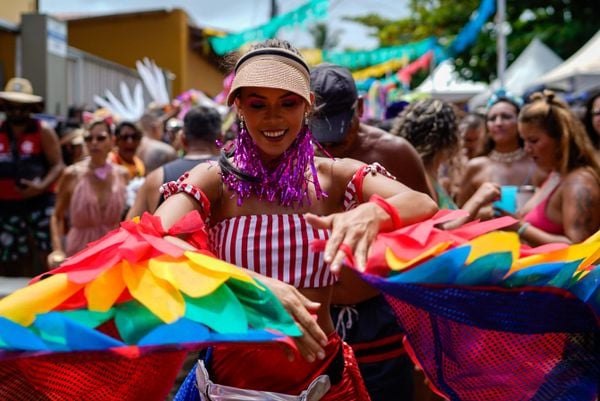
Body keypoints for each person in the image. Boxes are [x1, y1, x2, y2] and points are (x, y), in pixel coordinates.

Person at [163, 39, 437, 400]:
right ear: (239, 107)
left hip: (322, 385)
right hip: (230, 386)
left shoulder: (335, 177)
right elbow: (155, 240)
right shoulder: (214, 180)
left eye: (287, 103)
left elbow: (421, 203)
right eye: (258, 104)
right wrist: (254, 286)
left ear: (307, 105)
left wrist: (373, 212)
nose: (273, 118)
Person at [309, 63, 430, 401]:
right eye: (322, 131)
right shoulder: (294, 155)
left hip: (381, 315)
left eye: (340, 129)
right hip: (316, 316)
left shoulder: (394, 153)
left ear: (360, 108)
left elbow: (430, 224)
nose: (332, 142)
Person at [392, 98, 501, 230]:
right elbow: (440, 231)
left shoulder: (425, 171)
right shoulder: (421, 175)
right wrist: (478, 199)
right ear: (448, 137)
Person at [514, 91, 600, 245]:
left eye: (533, 141)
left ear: (561, 139)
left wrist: (520, 227)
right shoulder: (555, 175)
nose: (527, 149)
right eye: (524, 140)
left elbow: (579, 249)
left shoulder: (579, 182)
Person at [0, 77, 64, 276]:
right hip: (6, 205)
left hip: (39, 201)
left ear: (31, 108)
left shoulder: (43, 131)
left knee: (45, 250)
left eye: (22, 108)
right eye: (12, 107)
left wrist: (40, 187)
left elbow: (58, 165)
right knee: (10, 254)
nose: (16, 112)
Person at [47, 119, 129, 267]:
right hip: (79, 249)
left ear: (112, 141)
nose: (94, 142)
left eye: (101, 138)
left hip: (112, 249)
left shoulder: (122, 174)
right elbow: (57, 216)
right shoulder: (72, 174)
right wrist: (58, 250)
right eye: (88, 138)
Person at [126, 105, 220, 219]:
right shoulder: (234, 177)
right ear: (220, 138)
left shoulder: (156, 178)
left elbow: (131, 226)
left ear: (182, 139)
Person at [457, 92, 545, 212]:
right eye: (492, 119)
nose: (498, 123)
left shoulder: (538, 163)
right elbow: (459, 214)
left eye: (506, 117)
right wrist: (487, 212)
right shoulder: (476, 166)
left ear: (520, 121)